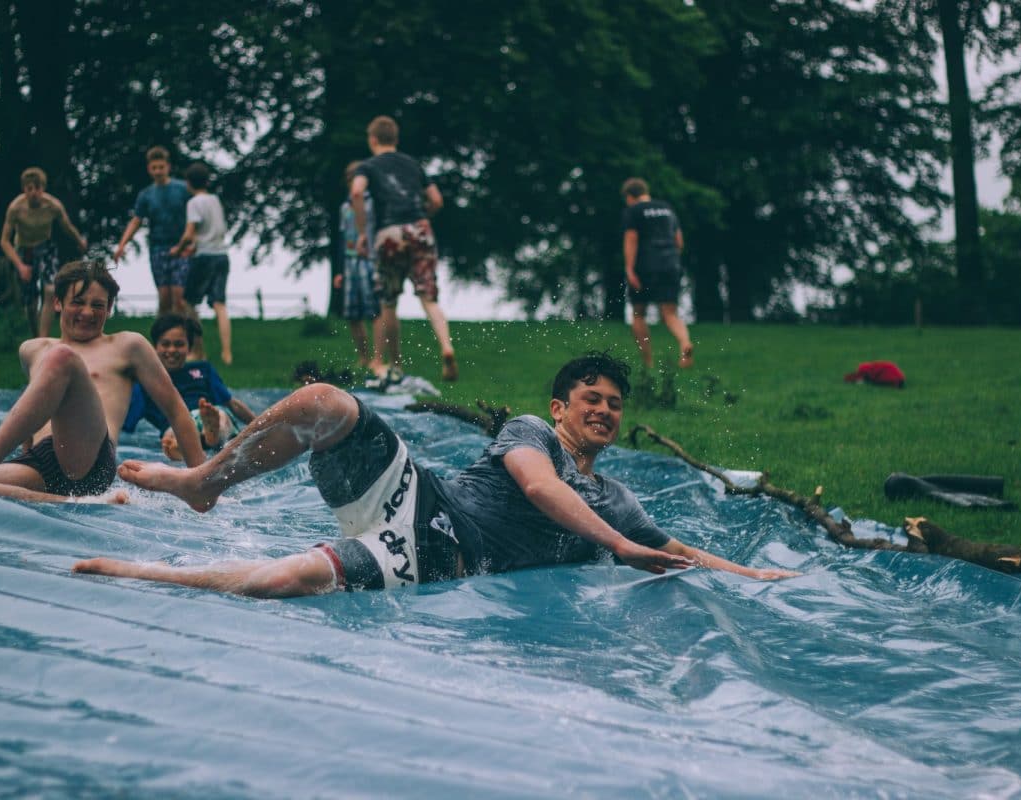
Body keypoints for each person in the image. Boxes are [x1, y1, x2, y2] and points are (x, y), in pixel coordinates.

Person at [74, 352, 798, 597]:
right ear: (560, 406)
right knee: (326, 401)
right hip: (422, 499)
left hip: (447, 555)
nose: (605, 413)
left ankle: (145, 574)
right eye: (592, 401)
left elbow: (675, 549)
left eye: (615, 405)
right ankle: (206, 479)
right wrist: (622, 546)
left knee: (282, 583)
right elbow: (540, 488)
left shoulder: (618, 497)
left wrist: (750, 575)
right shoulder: (531, 431)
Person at [0, 261, 205, 503]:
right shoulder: (32, 350)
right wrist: (24, 453)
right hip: (41, 460)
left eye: (98, 305)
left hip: (90, 460)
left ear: (109, 308)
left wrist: (201, 483)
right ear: (58, 303)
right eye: (77, 302)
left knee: (62, 357)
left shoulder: (127, 346)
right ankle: (71, 501)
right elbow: (36, 407)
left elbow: (175, 409)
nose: (87, 312)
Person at [351, 115, 458, 383]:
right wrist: (424, 217)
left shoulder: (368, 166)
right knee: (429, 298)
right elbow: (436, 199)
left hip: (389, 232)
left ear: (372, 140)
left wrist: (364, 232)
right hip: (419, 228)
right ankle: (446, 347)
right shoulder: (413, 165)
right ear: (396, 139)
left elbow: (356, 192)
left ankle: (395, 363)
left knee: (389, 301)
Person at [123, 313, 255, 461]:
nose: (172, 350)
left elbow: (231, 403)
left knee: (221, 417)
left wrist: (257, 423)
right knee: (171, 434)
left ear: (189, 347)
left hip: (207, 414)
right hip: (175, 426)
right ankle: (195, 442)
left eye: (179, 344)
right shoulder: (146, 383)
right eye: (165, 344)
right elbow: (125, 418)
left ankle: (209, 435)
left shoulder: (203, 369)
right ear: (155, 347)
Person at [0, 167, 88, 337]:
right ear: (24, 190)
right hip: (24, 252)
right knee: (31, 304)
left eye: (37, 188)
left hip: (46, 248)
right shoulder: (16, 208)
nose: (33, 193)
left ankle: (44, 338)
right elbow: (4, 241)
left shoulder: (53, 206)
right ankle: (35, 338)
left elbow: (67, 226)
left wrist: (79, 241)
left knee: (49, 290)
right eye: (29, 189)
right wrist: (20, 266)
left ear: (43, 188)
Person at [622, 178, 694, 369]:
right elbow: (679, 241)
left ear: (630, 197)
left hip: (645, 265)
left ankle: (648, 362)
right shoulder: (667, 208)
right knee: (670, 313)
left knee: (638, 313)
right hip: (671, 263)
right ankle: (685, 342)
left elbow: (631, 239)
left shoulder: (633, 211)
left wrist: (629, 268)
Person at [113, 146, 192, 317]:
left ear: (168, 167)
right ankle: (162, 339)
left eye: (161, 167)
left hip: (181, 247)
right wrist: (122, 244)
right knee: (164, 299)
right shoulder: (146, 195)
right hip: (158, 248)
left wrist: (193, 241)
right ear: (149, 169)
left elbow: (195, 217)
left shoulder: (183, 189)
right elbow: (136, 221)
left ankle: (186, 337)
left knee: (179, 298)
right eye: (154, 168)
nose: (158, 171)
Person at [174, 162, 232, 364]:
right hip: (222, 255)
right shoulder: (215, 200)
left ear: (188, 183)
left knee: (188, 303)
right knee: (220, 304)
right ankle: (227, 353)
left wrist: (178, 249)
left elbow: (190, 233)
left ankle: (198, 351)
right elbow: (215, 229)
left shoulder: (193, 203)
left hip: (204, 257)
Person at [335, 160, 383, 371]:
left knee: (376, 311)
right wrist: (339, 270)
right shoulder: (345, 206)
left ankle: (378, 358)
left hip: (370, 260)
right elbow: (342, 236)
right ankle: (363, 357)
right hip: (349, 261)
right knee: (353, 314)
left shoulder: (375, 203)